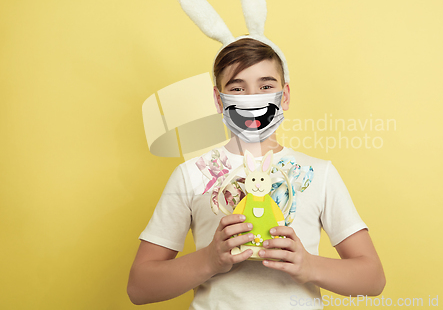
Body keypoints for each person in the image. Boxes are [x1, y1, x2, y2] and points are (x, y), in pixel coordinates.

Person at [127, 38, 386, 309]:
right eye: (238, 88)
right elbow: (139, 288)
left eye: (265, 86)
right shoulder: (191, 175)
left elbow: (373, 279)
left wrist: (308, 265)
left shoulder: (319, 174)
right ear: (219, 100)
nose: (252, 98)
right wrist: (209, 260)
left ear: (284, 96)